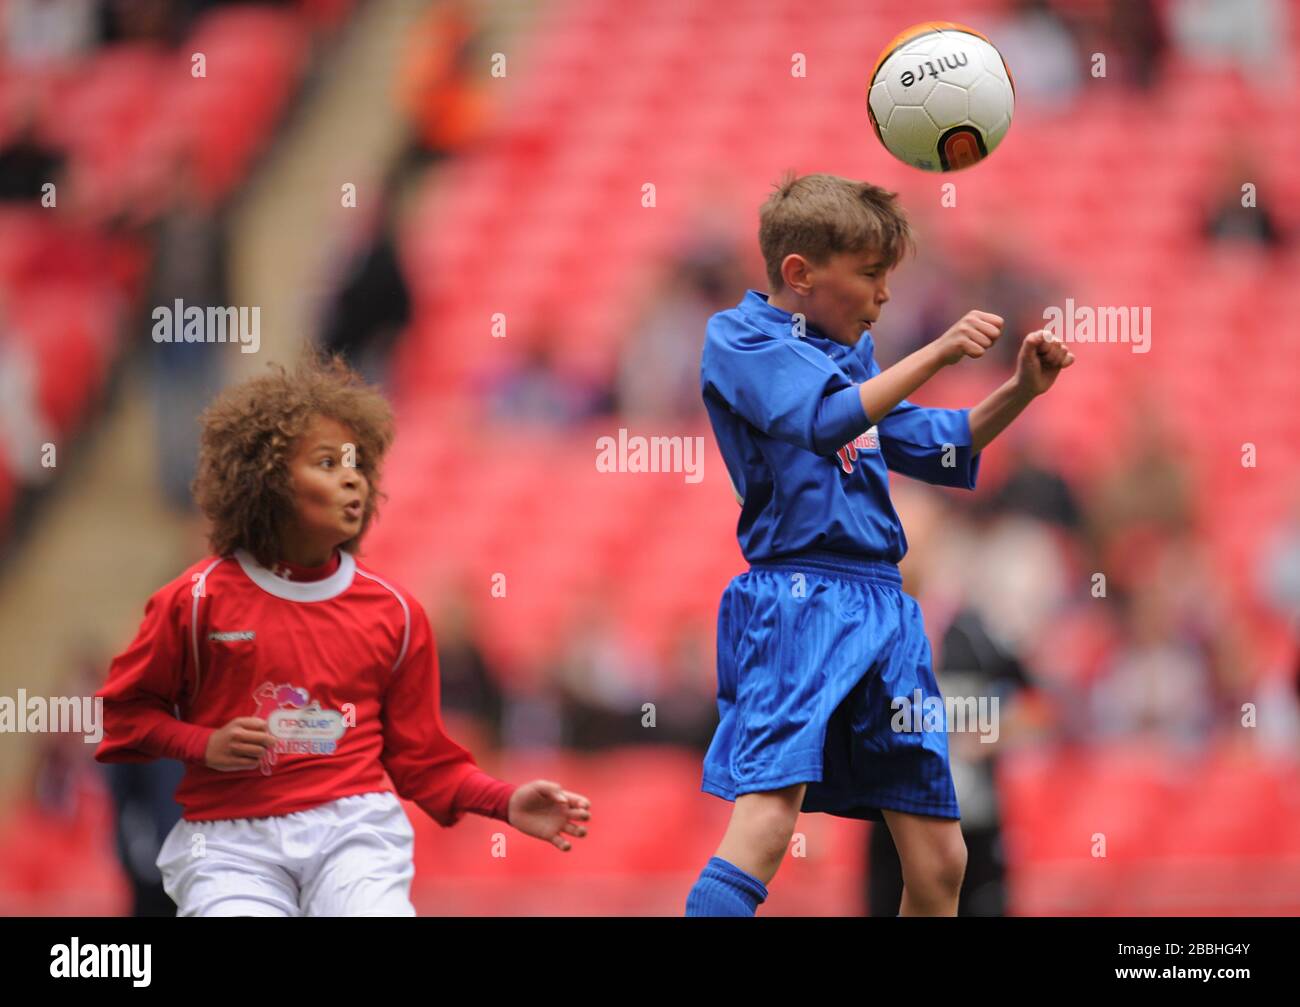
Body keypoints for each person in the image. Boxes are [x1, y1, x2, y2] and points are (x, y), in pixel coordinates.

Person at [685, 173, 1074, 917]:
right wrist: (936, 353)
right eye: (869, 275)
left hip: (885, 609)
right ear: (799, 274)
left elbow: (941, 443)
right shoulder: (738, 339)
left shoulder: (853, 364)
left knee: (939, 859)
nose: (884, 294)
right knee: (767, 822)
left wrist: (1020, 389)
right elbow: (824, 421)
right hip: (801, 598)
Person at [94, 355, 591, 916]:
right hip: (228, 844)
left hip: (354, 834)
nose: (352, 477)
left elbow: (423, 763)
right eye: (327, 462)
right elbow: (122, 716)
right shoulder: (194, 602)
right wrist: (203, 745)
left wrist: (504, 801)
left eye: (357, 463)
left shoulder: (396, 613)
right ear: (266, 479)